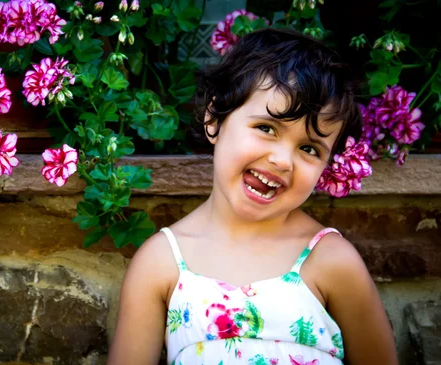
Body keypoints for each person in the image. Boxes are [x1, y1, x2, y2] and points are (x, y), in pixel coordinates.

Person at [107, 28, 398, 365]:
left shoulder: (333, 262)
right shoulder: (162, 263)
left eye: (309, 148)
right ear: (215, 120)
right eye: (267, 128)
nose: (282, 160)